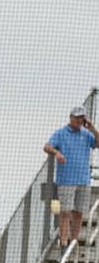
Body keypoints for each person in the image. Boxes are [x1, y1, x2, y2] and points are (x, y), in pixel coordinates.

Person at [42, 106, 98, 248]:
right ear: (71, 117)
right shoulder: (61, 133)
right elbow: (47, 146)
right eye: (78, 117)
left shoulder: (86, 134)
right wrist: (57, 153)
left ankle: (74, 242)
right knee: (65, 212)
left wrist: (92, 128)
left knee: (79, 212)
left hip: (83, 179)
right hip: (66, 179)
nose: (80, 120)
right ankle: (64, 242)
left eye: (82, 118)